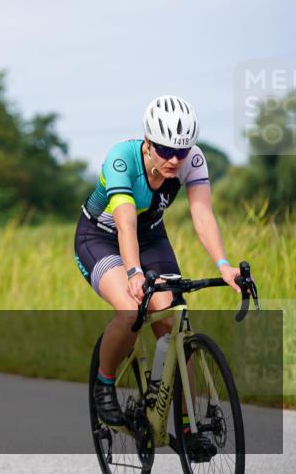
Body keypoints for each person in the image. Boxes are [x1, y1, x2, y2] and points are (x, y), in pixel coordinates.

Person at [74, 95, 239, 453]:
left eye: (181, 151)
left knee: (175, 321)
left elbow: (202, 214)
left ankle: (186, 426)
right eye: (165, 150)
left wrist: (223, 265)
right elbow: (125, 224)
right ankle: (104, 384)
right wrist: (133, 272)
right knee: (134, 309)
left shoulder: (191, 161)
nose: (174, 160)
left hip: (151, 236)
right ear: (147, 143)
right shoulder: (122, 160)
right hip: (101, 237)